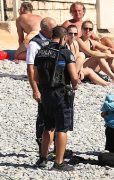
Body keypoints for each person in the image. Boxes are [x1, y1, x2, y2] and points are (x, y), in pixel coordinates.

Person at [34, 26, 79, 171]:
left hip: (45, 94)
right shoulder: (65, 52)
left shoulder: (40, 52)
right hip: (61, 94)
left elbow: (35, 77)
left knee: (48, 127)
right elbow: (73, 76)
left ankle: (42, 159)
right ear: (64, 37)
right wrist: (75, 85)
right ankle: (59, 162)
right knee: (62, 128)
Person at [26, 17, 57, 154]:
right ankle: (42, 145)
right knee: (44, 116)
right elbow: (30, 68)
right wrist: (35, 89)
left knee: (56, 115)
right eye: (52, 29)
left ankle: (56, 146)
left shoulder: (54, 40)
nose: (55, 31)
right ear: (44, 29)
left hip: (55, 85)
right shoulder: (35, 44)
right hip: (42, 85)